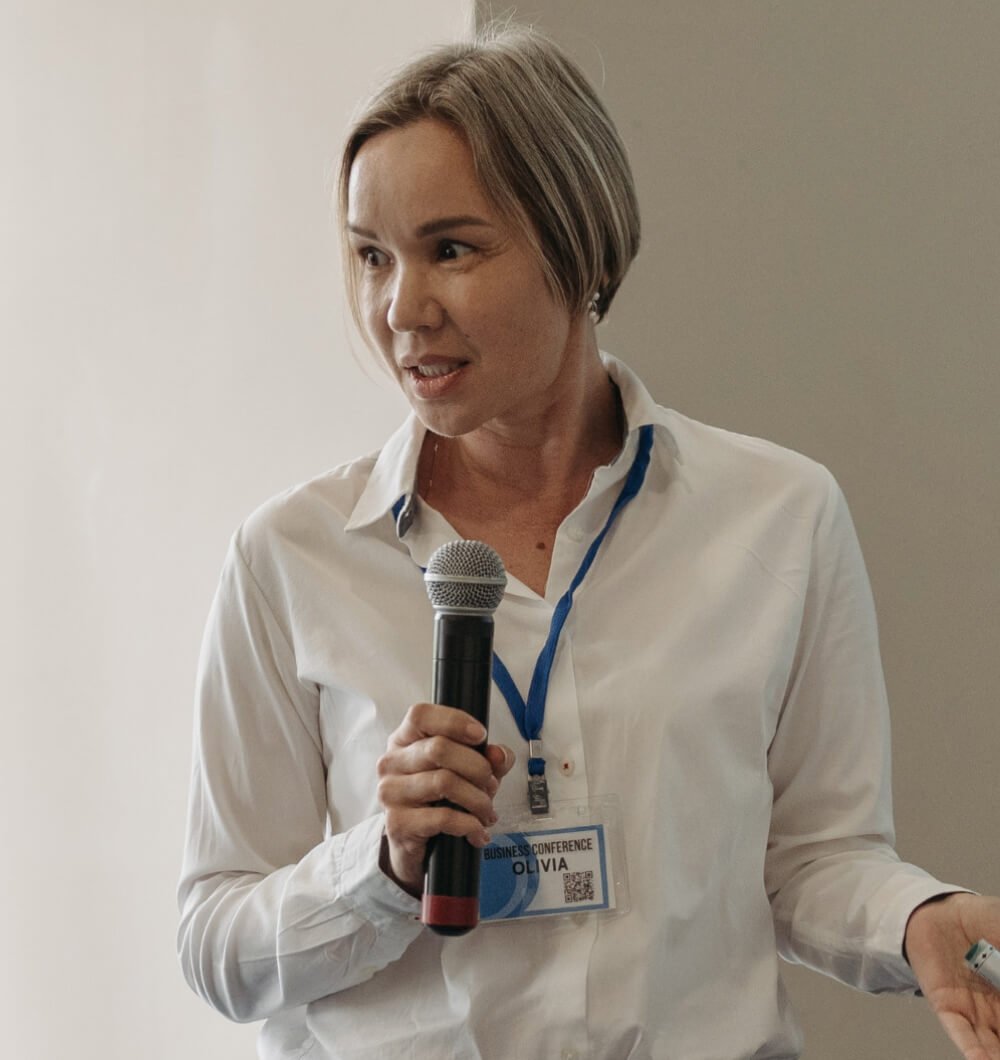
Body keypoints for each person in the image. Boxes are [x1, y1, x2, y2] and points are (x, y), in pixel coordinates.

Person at [177, 24, 1000, 1060]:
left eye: (451, 249)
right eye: (372, 256)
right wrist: (380, 867)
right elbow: (216, 944)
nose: (400, 309)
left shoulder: (778, 515)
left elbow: (812, 860)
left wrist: (919, 918)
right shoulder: (290, 557)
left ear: (581, 247)